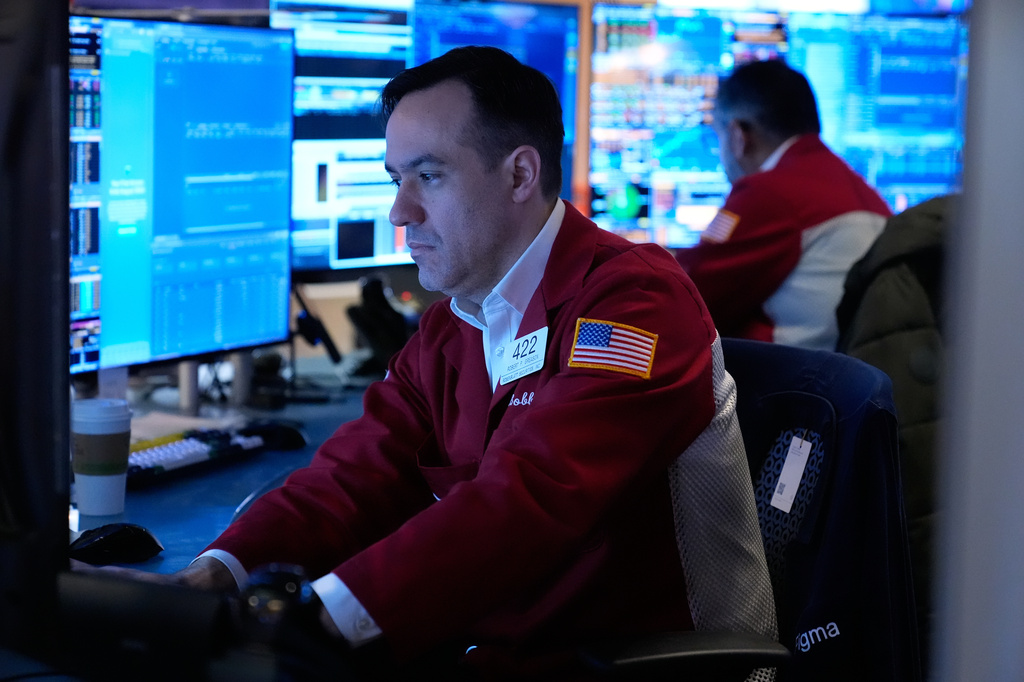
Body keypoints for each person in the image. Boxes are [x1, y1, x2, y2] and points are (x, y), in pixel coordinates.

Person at [82, 46, 775, 679]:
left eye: (429, 176)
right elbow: (354, 476)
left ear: (520, 174)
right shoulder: (456, 322)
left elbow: (528, 501)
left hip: (643, 665)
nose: (399, 211)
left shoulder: (634, 303)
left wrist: (317, 616)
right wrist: (217, 574)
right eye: (395, 178)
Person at [676, 59, 892, 351]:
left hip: (787, 387)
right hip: (842, 380)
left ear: (739, 136)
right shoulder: (861, 191)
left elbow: (687, 292)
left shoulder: (771, 193)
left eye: (717, 137)